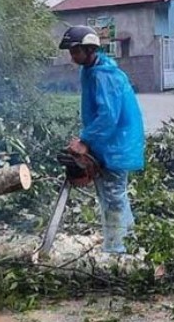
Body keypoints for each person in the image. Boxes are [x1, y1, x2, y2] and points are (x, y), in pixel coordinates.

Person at [58, 25, 145, 254]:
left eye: (76, 51)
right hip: (105, 141)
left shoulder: (104, 75)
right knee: (108, 196)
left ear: (89, 49)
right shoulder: (90, 70)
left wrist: (85, 140)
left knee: (114, 196)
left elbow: (108, 116)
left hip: (116, 144)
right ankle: (118, 243)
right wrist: (87, 140)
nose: (72, 55)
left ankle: (120, 248)